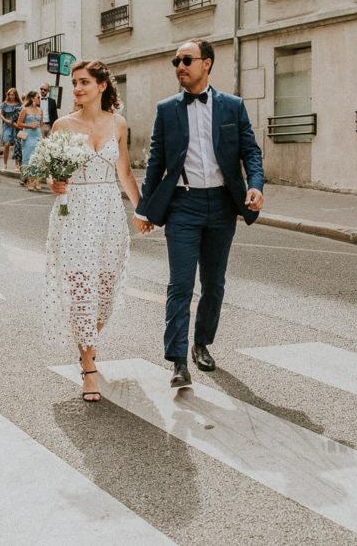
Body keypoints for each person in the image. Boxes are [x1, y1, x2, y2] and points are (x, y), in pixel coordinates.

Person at [135, 39, 265, 388]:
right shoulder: (166, 110)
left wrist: (256, 186)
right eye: (175, 60)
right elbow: (156, 164)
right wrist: (145, 208)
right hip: (183, 205)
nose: (180, 66)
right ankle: (178, 360)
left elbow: (251, 152)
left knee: (214, 283)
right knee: (180, 284)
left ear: (206, 63)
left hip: (222, 205)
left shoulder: (232, 106)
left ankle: (202, 343)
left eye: (186, 60)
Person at [44, 60, 142, 403]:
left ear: (102, 86)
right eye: (74, 83)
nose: (77, 89)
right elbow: (49, 174)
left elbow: (125, 173)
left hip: (109, 215)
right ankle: (88, 367)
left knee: (105, 293)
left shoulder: (118, 123)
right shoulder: (62, 125)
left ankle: (88, 345)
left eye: (84, 82)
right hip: (74, 214)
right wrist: (52, 182)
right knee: (82, 290)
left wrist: (141, 209)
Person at [16, 90, 44, 190]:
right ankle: (29, 181)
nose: (39, 99)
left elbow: (41, 125)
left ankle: (37, 181)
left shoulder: (40, 110)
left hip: (38, 135)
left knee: (38, 158)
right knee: (28, 158)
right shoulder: (25, 109)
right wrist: (30, 125)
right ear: (32, 98)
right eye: (38, 97)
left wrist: (43, 138)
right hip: (28, 136)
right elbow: (19, 124)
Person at [0, 87, 22, 171]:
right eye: (9, 94)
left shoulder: (19, 104)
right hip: (7, 126)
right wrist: (6, 120)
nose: (11, 96)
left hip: (16, 126)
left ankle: (16, 165)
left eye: (12, 94)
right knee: (7, 144)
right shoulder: (4, 104)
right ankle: (5, 164)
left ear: (15, 95)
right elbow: (0, 114)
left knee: (17, 145)